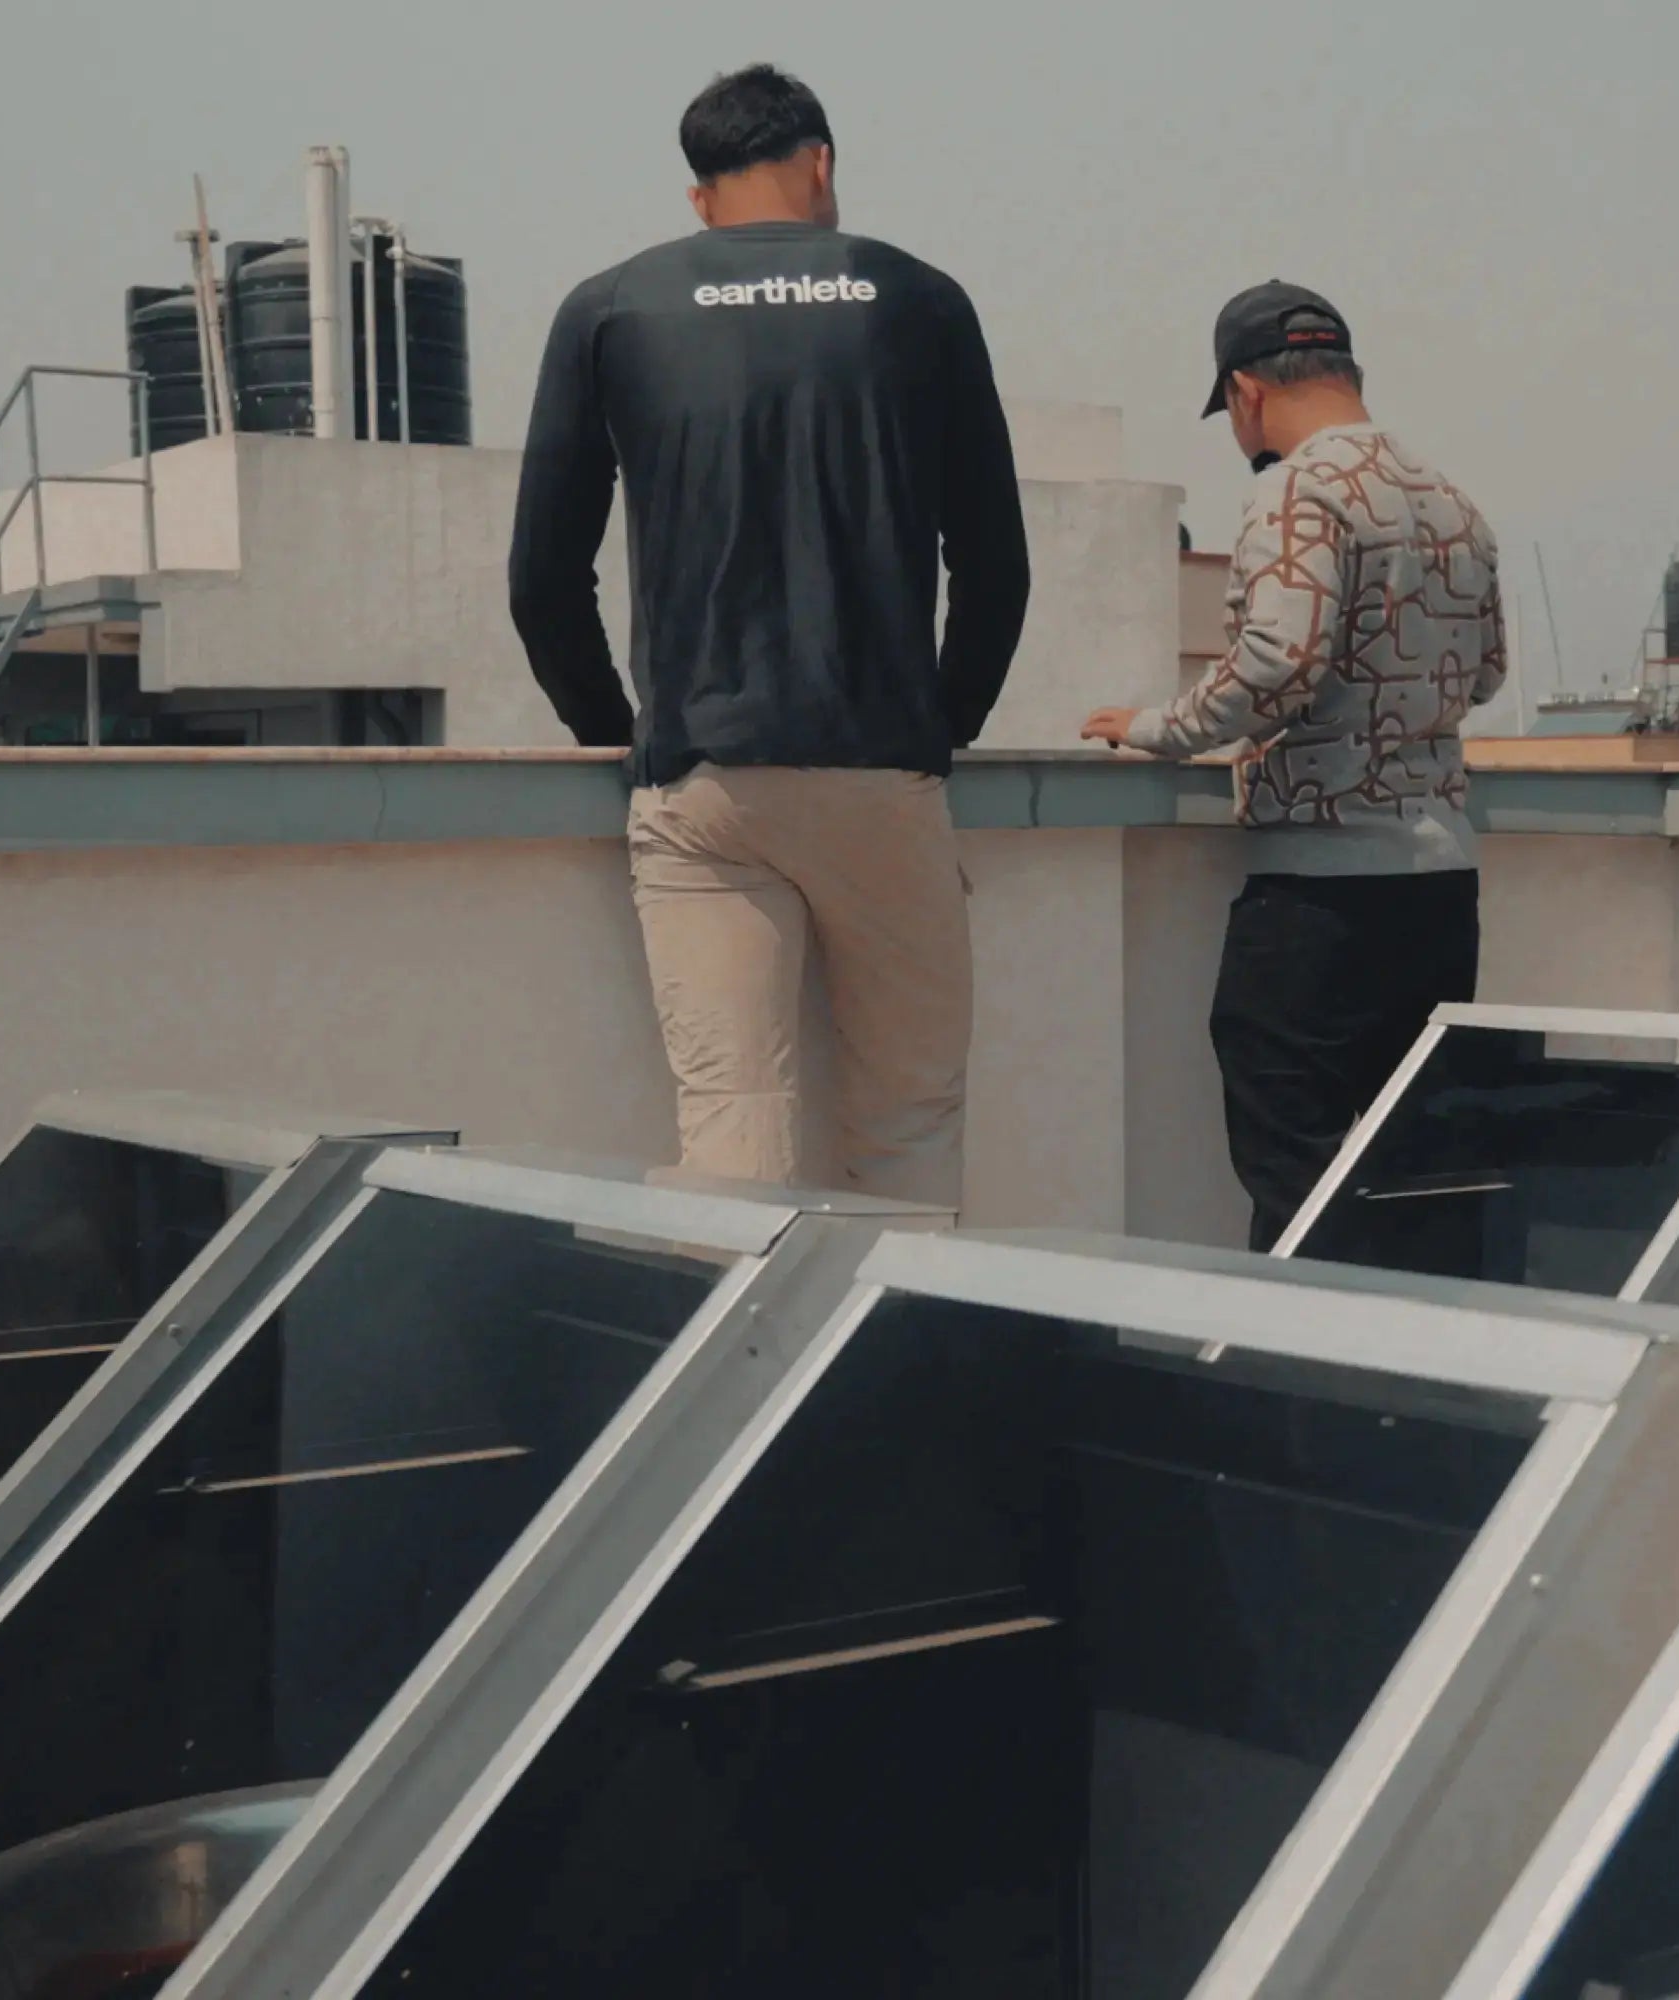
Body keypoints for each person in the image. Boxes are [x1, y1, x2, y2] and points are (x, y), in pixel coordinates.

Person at [509, 65, 1031, 1208]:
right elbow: (993, 563)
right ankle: (895, 1377)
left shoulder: (609, 307)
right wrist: (940, 725)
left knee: (731, 1140)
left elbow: (543, 580)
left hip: (699, 783)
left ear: (699, 198)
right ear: (822, 164)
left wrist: (627, 737)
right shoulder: (921, 299)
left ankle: (739, 1381)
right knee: (907, 1121)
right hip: (880, 767)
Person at [1083, 282, 1506, 1249]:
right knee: (1426, 1187)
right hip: (1441, 889)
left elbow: (1276, 664)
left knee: (1298, 1186)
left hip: (1319, 901)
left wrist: (1158, 728)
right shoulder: (1452, 499)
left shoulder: (1295, 486)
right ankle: (1442, 1382)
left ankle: (1310, 1388)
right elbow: (1485, 673)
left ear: (1244, 391)